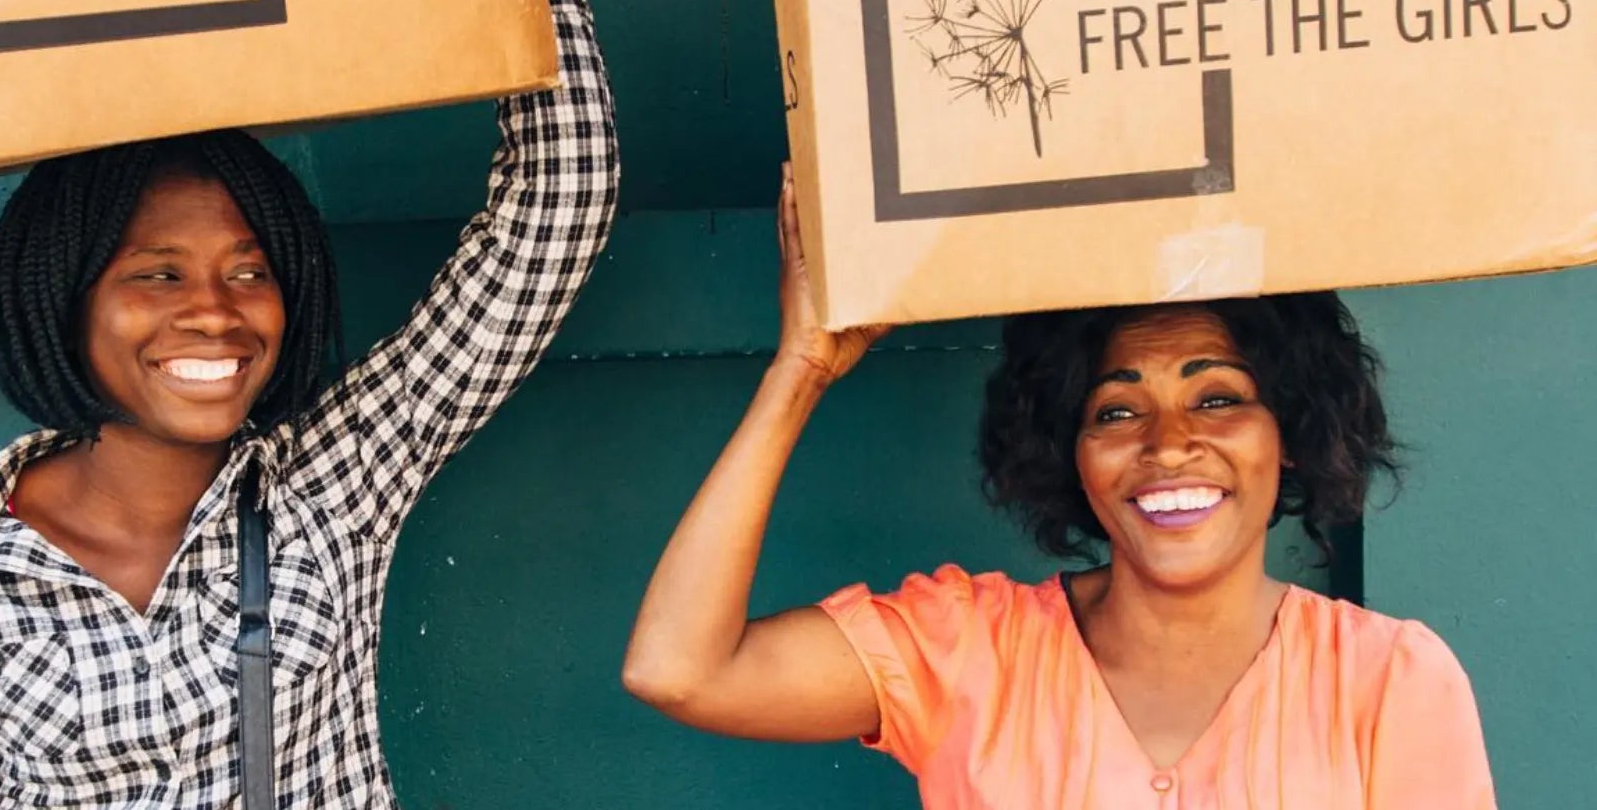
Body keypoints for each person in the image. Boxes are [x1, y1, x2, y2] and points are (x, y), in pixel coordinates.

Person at [0, 0, 618, 809]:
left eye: (250, 272)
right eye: (159, 274)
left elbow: (560, 207)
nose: (216, 312)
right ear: (63, 300)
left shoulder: (333, 481)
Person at [621, 166, 1496, 808]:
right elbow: (678, 668)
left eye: (1217, 398)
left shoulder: (1389, 681)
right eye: (1117, 411)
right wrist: (800, 370)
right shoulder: (970, 652)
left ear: (1290, 435)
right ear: (1070, 451)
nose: (1169, 443)